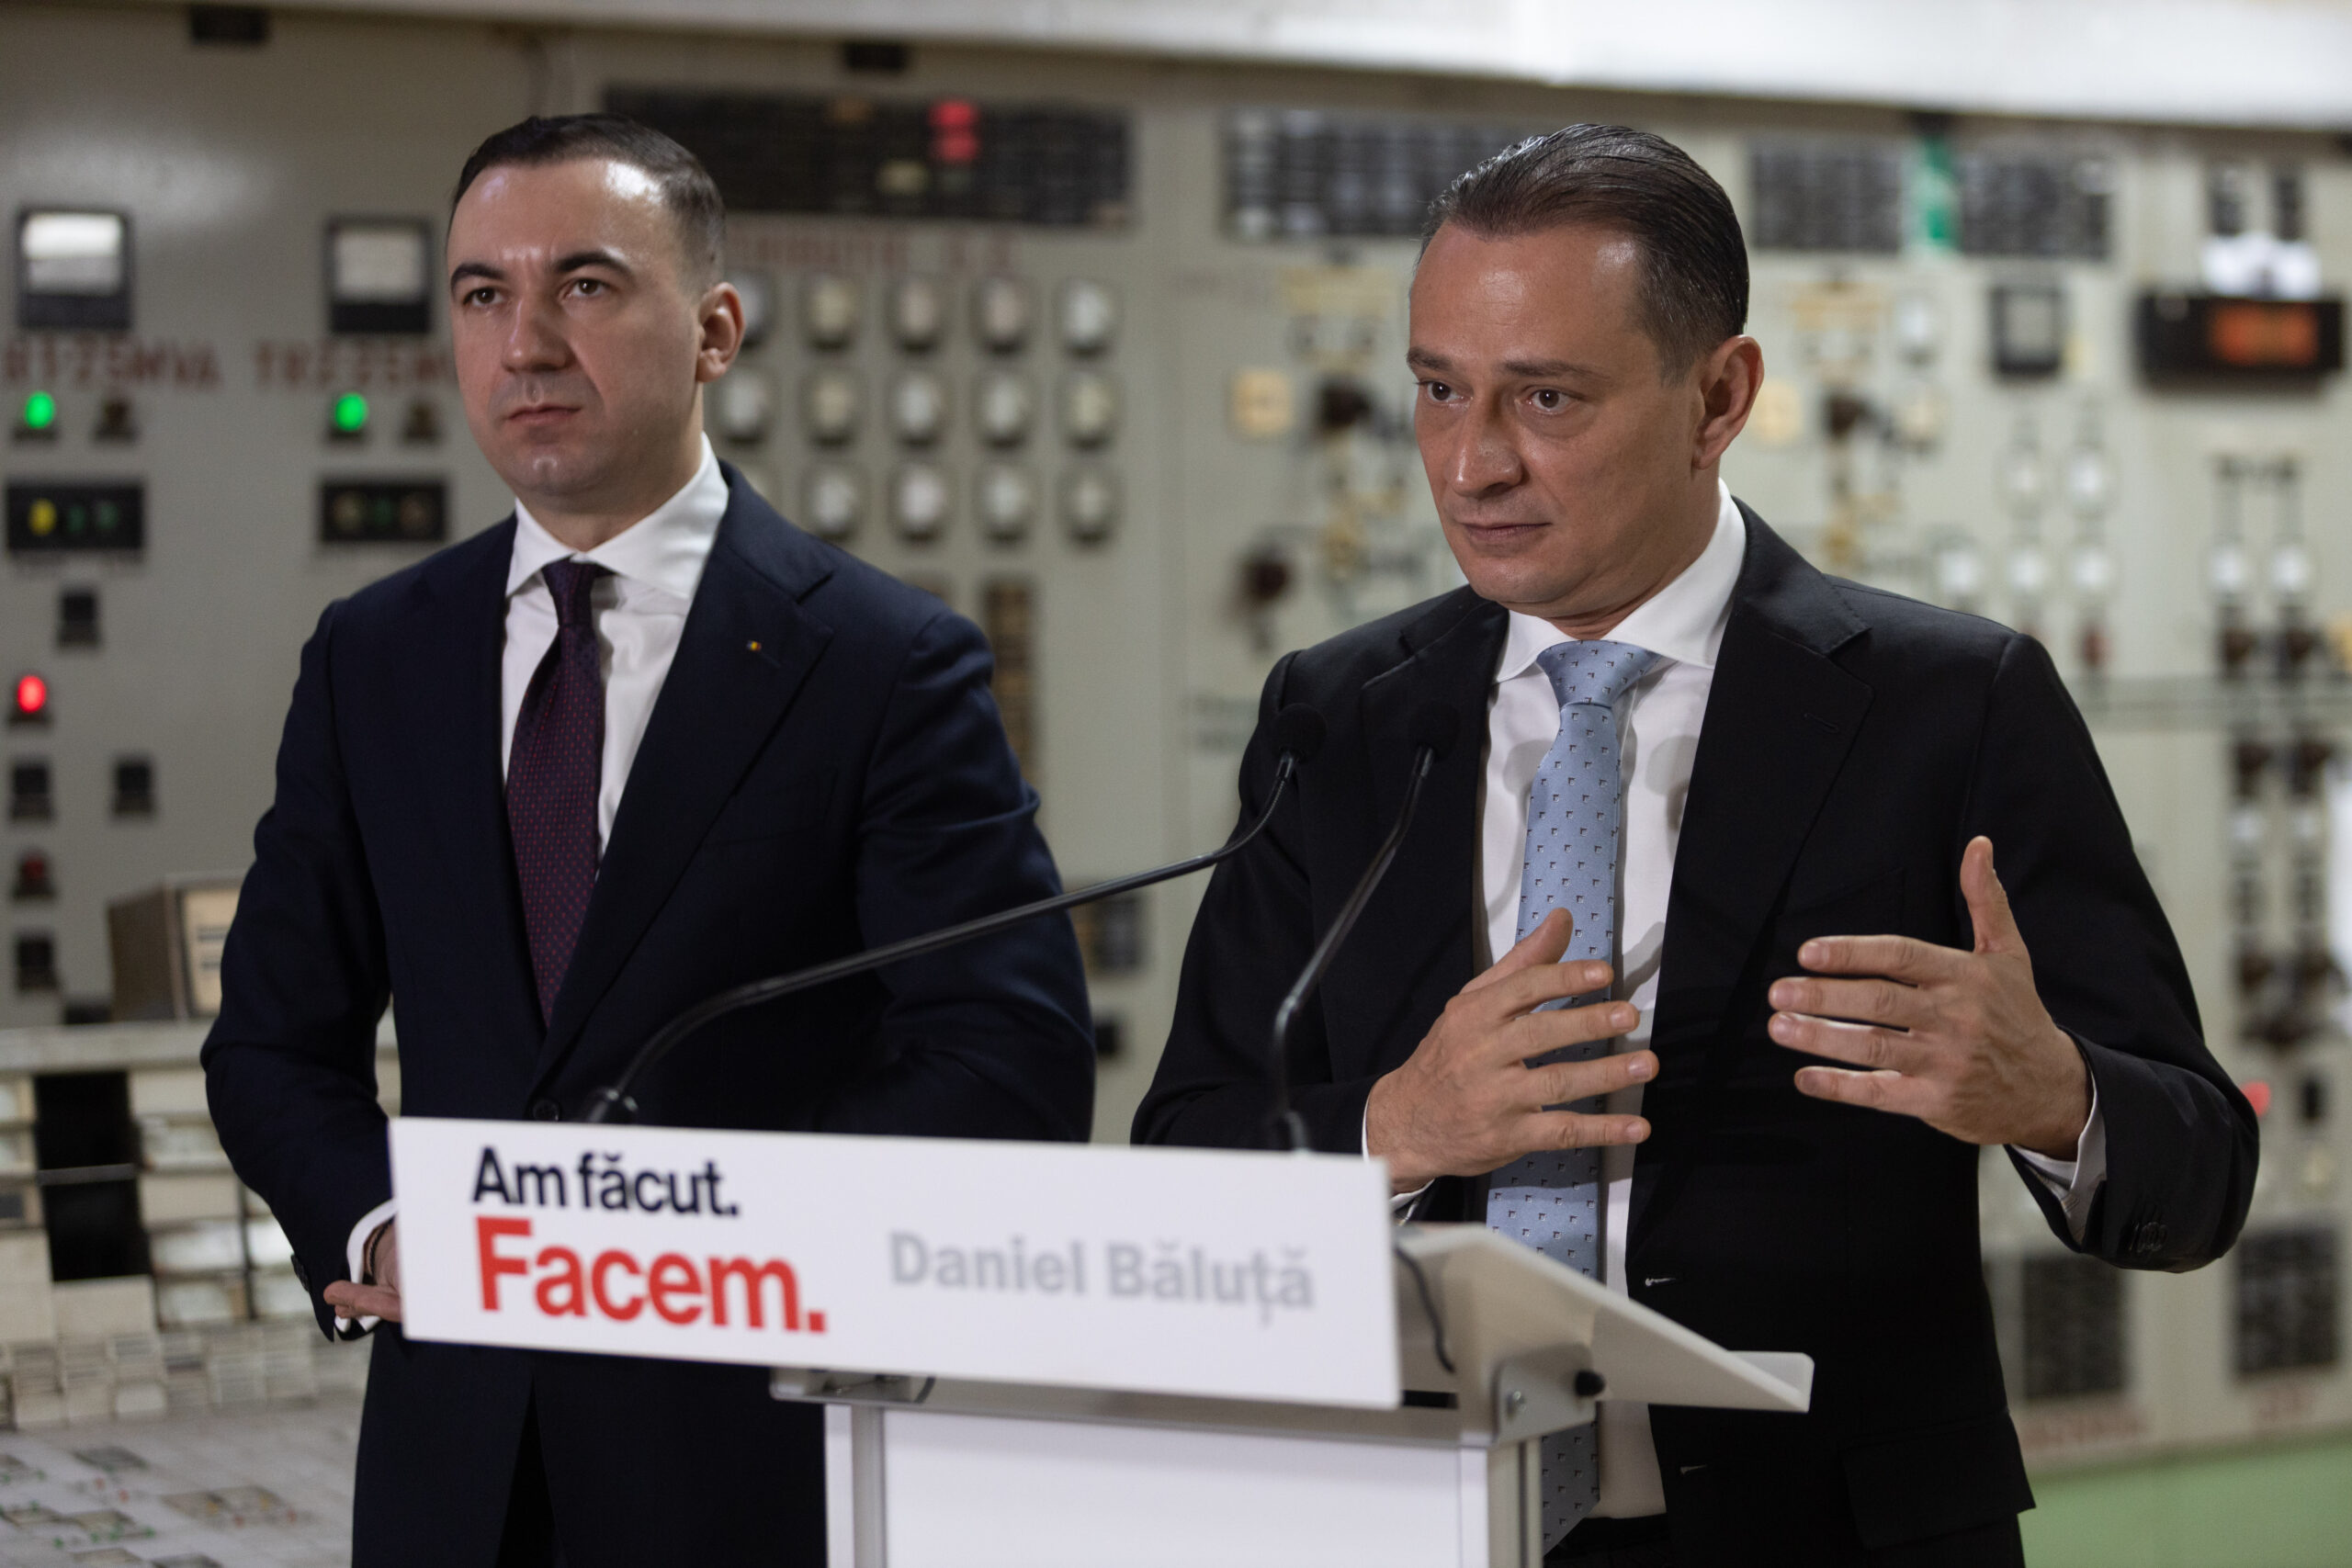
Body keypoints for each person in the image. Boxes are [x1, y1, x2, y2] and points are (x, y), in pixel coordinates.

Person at [1135, 125, 2255, 1567]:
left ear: (1718, 399)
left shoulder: (1950, 705)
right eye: (1438, 390)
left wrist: (2055, 1096)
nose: (1472, 463)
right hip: (1421, 1525)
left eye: (1546, 398)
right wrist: (1396, 1127)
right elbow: (1188, 1150)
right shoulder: (1339, 714)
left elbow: (2200, 1174)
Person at [203, 114, 1095, 1567]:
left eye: (587, 285)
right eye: (483, 294)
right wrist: (381, 1226)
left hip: (752, 1460)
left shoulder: (880, 664)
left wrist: (689, 1234)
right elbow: (268, 1045)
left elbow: (1010, 1063)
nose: (527, 344)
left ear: (716, 331)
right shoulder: (375, 657)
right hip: (455, 1475)